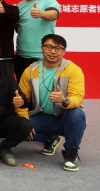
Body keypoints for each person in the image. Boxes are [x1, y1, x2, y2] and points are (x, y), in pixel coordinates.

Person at [17, 34, 86, 172]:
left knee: (77, 115)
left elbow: (78, 97)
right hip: (42, 116)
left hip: (65, 116)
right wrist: (24, 120)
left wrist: (64, 100)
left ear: (64, 51)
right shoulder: (31, 70)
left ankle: (71, 153)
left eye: (58, 48)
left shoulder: (73, 70)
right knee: (18, 129)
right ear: (42, 48)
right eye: (48, 47)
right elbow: (22, 100)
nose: (53, 51)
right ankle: (50, 139)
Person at [15, 0, 60, 81]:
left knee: (40, 89)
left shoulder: (49, 1)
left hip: (42, 56)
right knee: (22, 89)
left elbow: (53, 14)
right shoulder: (19, 5)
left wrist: (41, 13)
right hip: (21, 55)